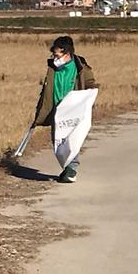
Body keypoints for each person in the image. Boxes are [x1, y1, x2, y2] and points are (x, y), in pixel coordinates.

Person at [33, 36, 98, 183]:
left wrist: (89, 96)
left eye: (57, 55)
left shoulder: (80, 68)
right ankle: (67, 168)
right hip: (57, 111)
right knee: (58, 142)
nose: (55, 58)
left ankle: (71, 169)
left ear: (67, 53)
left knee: (71, 141)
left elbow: (90, 83)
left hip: (74, 111)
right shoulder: (53, 69)